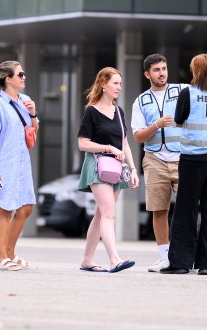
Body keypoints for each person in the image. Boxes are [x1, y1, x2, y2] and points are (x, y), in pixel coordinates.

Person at [162, 54, 207, 276]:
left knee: (186, 209)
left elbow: (179, 119)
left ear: (197, 71)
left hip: (193, 157)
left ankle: (181, 263)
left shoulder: (188, 93)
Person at [77, 67, 139, 274]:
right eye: (115, 83)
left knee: (101, 214)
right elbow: (83, 144)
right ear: (103, 84)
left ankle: (87, 260)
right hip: (97, 166)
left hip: (117, 169)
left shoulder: (119, 112)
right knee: (109, 212)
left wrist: (132, 168)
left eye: (120, 84)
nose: (119, 87)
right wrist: (107, 148)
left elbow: (125, 144)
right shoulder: (91, 111)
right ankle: (114, 259)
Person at [131, 54, 187, 272]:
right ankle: (164, 256)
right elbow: (137, 137)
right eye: (156, 70)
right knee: (159, 210)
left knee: (186, 209)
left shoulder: (182, 90)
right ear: (147, 74)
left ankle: (185, 255)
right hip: (154, 159)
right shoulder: (141, 100)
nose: (162, 73)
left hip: (182, 158)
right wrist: (156, 125)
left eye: (164, 68)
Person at [0, 61, 38, 271]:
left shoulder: (25, 101)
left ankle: (11, 252)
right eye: (20, 74)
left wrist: (33, 114)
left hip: (22, 162)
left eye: (24, 74)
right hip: (4, 162)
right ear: (8, 79)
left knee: (26, 208)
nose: (24, 77)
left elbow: (33, 133)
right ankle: (2, 256)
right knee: (5, 208)